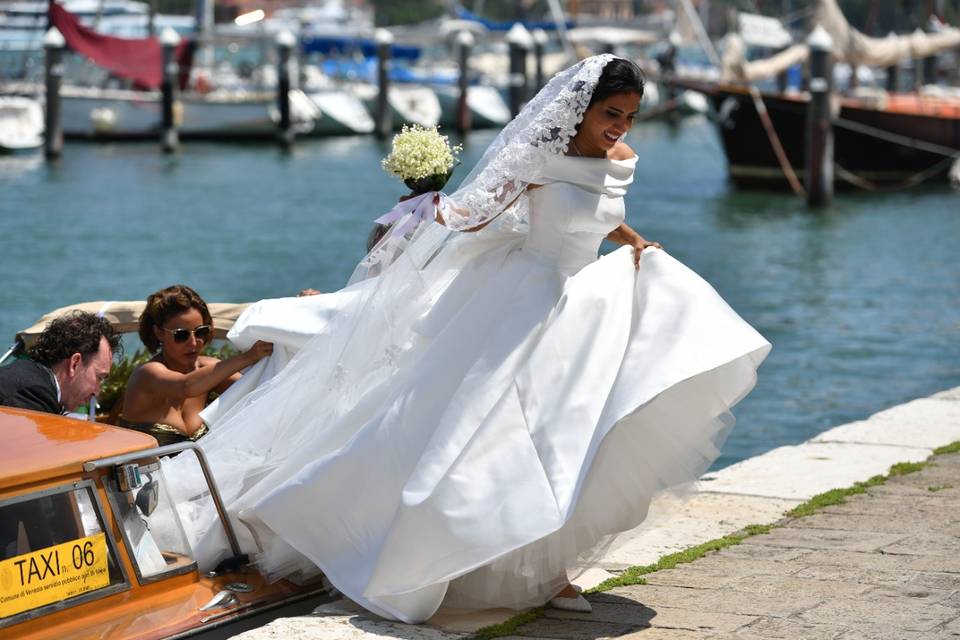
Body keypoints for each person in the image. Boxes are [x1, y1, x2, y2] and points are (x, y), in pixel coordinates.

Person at [164, 55, 770, 623]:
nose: (620, 126)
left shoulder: (620, 157)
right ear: (582, 108)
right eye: (612, 113)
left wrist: (635, 243)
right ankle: (428, 551)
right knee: (490, 436)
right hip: (523, 298)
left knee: (575, 432)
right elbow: (474, 211)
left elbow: (602, 214)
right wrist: (426, 209)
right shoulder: (540, 159)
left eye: (630, 116)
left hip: (582, 301)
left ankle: (547, 570)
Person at [118, 285, 273, 446]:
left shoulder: (209, 370)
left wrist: (297, 308)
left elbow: (262, 391)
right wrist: (249, 356)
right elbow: (186, 386)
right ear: (159, 333)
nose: (193, 342)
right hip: (146, 471)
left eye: (200, 332)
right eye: (181, 335)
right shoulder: (147, 374)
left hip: (202, 470)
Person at [0, 311, 120, 414]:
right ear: (75, 363)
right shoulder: (33, 395)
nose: (97, 392)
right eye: (99, 377)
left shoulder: (31, 377)